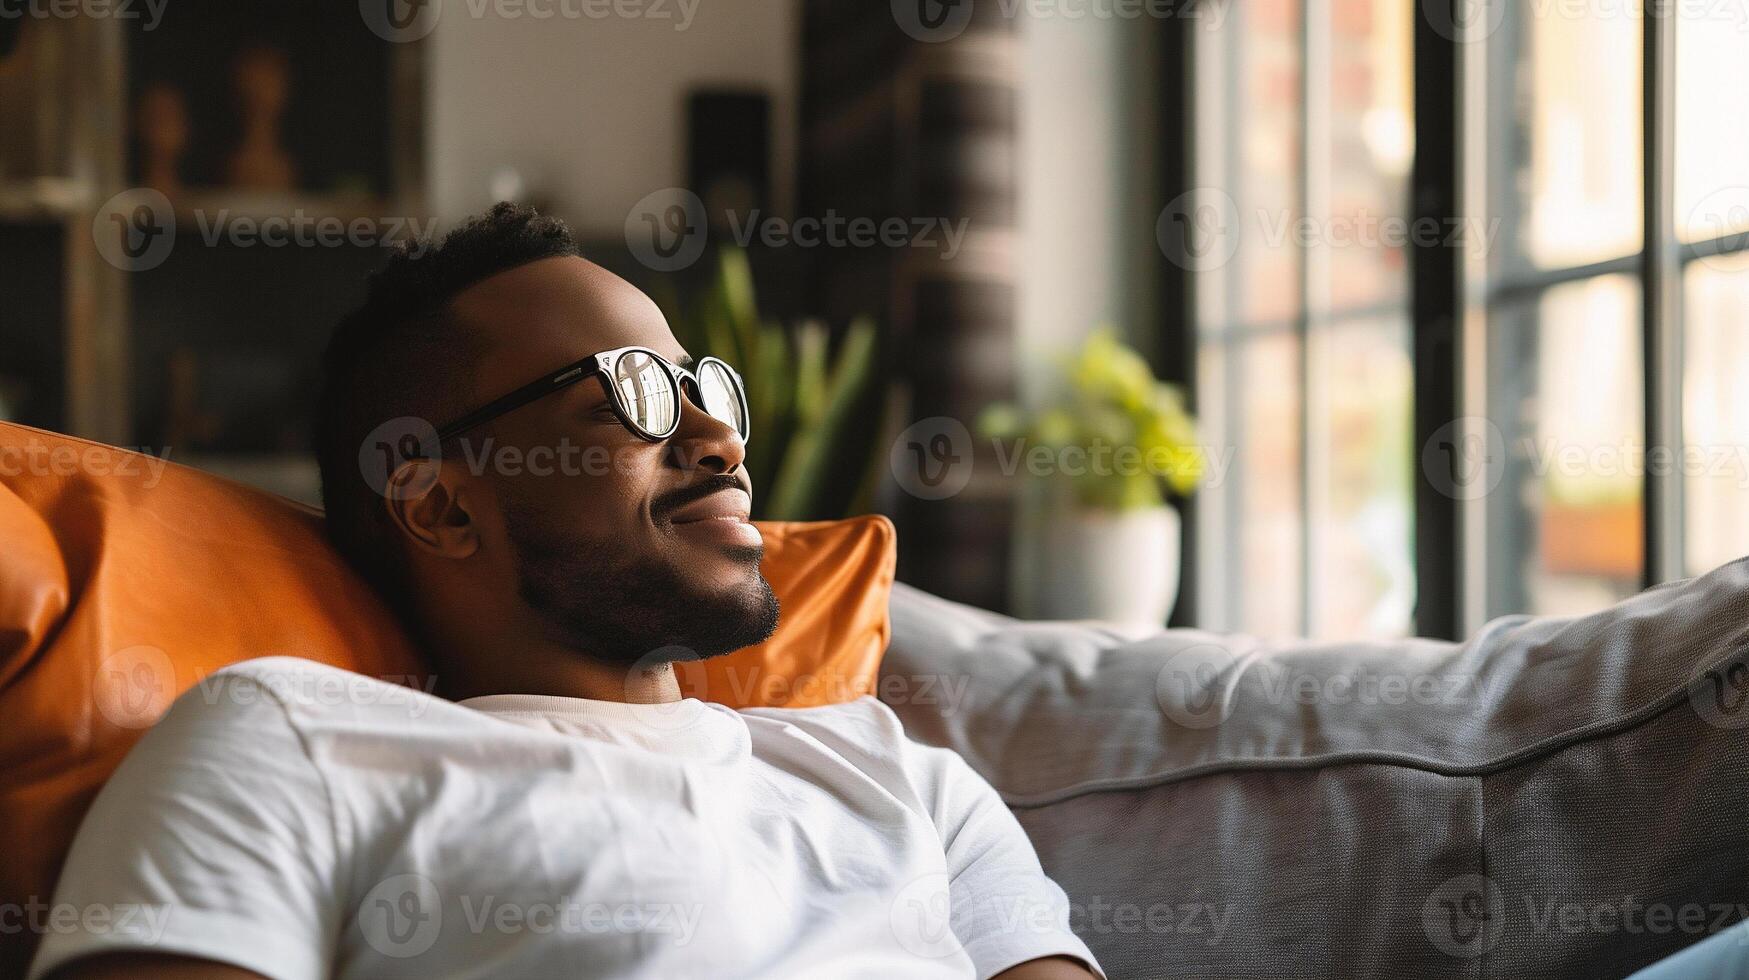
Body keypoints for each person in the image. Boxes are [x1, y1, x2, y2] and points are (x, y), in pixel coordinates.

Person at [29, 204, 1103, 980]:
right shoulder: (292, 744)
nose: (720, 436)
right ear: (443, 506)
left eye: (703, 384)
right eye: (632, 393)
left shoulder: (908, 786)